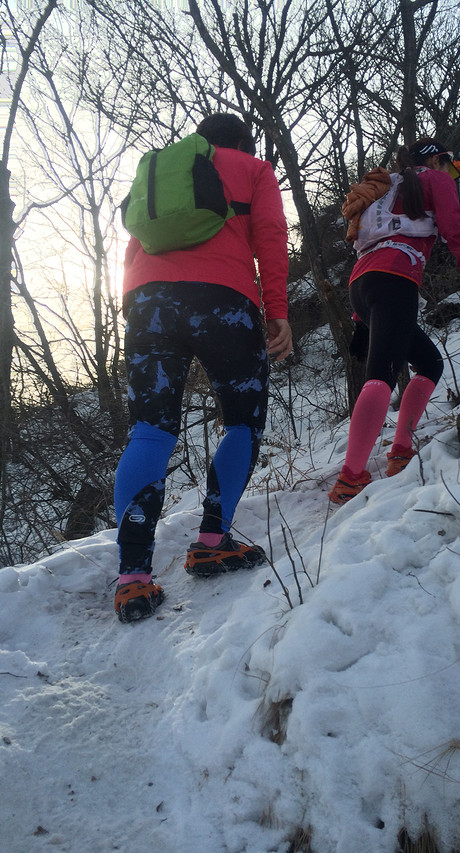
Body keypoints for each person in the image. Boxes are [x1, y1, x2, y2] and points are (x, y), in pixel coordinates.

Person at [114, 113, 291, 623]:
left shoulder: (165, 170)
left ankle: (132, 578)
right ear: (242, 143)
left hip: (148, 301)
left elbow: (135, 241)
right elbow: (270, 235)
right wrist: (277, 310)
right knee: (241, 422)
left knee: (149, 430)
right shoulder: (253, 169)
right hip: (223, 299)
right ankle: (213, 542)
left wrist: (137, 305)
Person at [328, 139, 460, 505]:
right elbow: (453, 227)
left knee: (429, 363)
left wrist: (360, 320)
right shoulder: (435, 179)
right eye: (448, 162)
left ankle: (401, 450)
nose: (451, 171)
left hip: (362, 282)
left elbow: (372, 239)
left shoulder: (389, 186)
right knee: (381, 374)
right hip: (396, 276)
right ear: (436, 159)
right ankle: (350, 478)